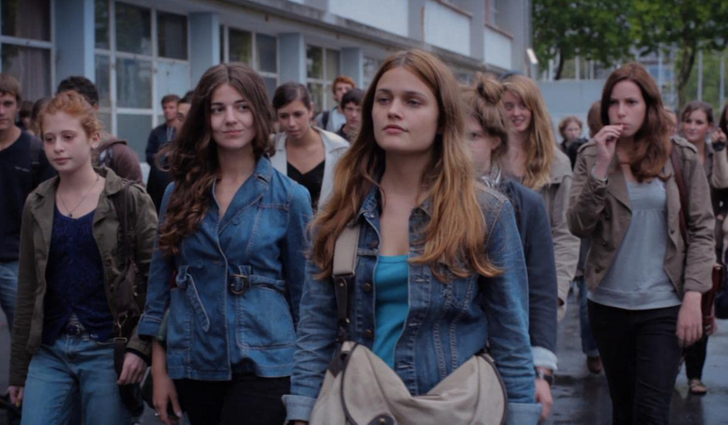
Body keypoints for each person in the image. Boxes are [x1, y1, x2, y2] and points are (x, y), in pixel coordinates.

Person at [285, 49, 540, 425]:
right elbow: (315, 330)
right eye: (383, 99)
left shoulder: (486, 212)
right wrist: (300, 414)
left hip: (452, 409)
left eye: (412, 101)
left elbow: (511, 337)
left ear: (442, 120)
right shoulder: (340, 213)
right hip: (358, 406)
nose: (393, 111)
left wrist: (521, 416)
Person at [137, 63, 312, 425]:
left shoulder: (290, 197)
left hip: (266, 361)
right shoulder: (177, 194)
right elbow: (160, 286)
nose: (231, 119)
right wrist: (160, 367)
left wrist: (306, 390)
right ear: (205, 118)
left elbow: (305, 298)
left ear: (259, 113)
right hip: (194, 360)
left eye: (242, 107)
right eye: (218, 109)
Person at [568, 62, 714, 424]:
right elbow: (578, 225)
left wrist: (693, 296)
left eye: (631, 102)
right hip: (608, 304)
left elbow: (701, 229)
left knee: (651, 412)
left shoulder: (680, 155)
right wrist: (601, 169)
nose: (621, 111)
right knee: (623, 407)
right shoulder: (591, 155)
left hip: (663, 304)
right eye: (613, 103)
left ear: (649, 106)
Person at [7, 91, 157, 424]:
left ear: (93, 138)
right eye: (49, 139)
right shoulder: (37, 202)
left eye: (68, 136)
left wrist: (140, 347)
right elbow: (28, 288)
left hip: (107, 349)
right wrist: (18, 371)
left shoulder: (127, 199)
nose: (57, 147)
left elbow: (156, 281)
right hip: (50, 349)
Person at [462, 73, 558, 422]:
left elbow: (541, 290)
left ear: (495, 140)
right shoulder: (432, 198)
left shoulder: (525, 203)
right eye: (455, 136)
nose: (462, 146)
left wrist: (540, 371)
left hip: (506, 354)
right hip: (455, 356)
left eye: (473, 136)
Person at [501, 74, 579, 322]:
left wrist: (556, 294)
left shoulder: (556, 163)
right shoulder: (486, 159)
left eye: (523, 105)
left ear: (535, 109)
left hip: (538, 289)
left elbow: (565, 234)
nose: (516, 113)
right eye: (509, 106)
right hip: (492, 287)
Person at [0, 74, 55, 339]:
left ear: (18, 106)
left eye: (7, 103)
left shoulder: (35, 150)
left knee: (24, 337)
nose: (1, 111)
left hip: (18, 261)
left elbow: (48, 209)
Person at [679, 101, 728, 395]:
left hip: (708, 239)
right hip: (676, 236)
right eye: (688, 121)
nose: (692, 127)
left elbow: (723, 185)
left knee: (703, 305)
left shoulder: (714, 154)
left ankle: (694, 374)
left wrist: (720, 151)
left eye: (699, 122)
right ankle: (671, 361)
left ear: (709, 127)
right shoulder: (672, 153)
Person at [271, 82, 349, 211]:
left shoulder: (340, 149)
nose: (291, 123)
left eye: (298, 114)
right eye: (284, 116)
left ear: (311, 110)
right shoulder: (269, 149)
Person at [57, 76, 143, 184]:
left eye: (77, 107)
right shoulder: (53, 151)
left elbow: (135, 193)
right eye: (61, 107)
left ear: (95, 108)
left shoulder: (120, 154)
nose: (68, 114)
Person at [575, 100, 603, 374]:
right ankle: (593, 350)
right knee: (587, 303)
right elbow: (578, 211)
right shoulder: (587, 155)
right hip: (591, 246)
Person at [146, 94, 181, 212]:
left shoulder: (181, 131)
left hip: (176, 179)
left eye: (171, 107)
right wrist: (161, 158)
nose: (167, 111)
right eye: (165, 108)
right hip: (158, 181)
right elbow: (149, 155)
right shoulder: (156, 132)